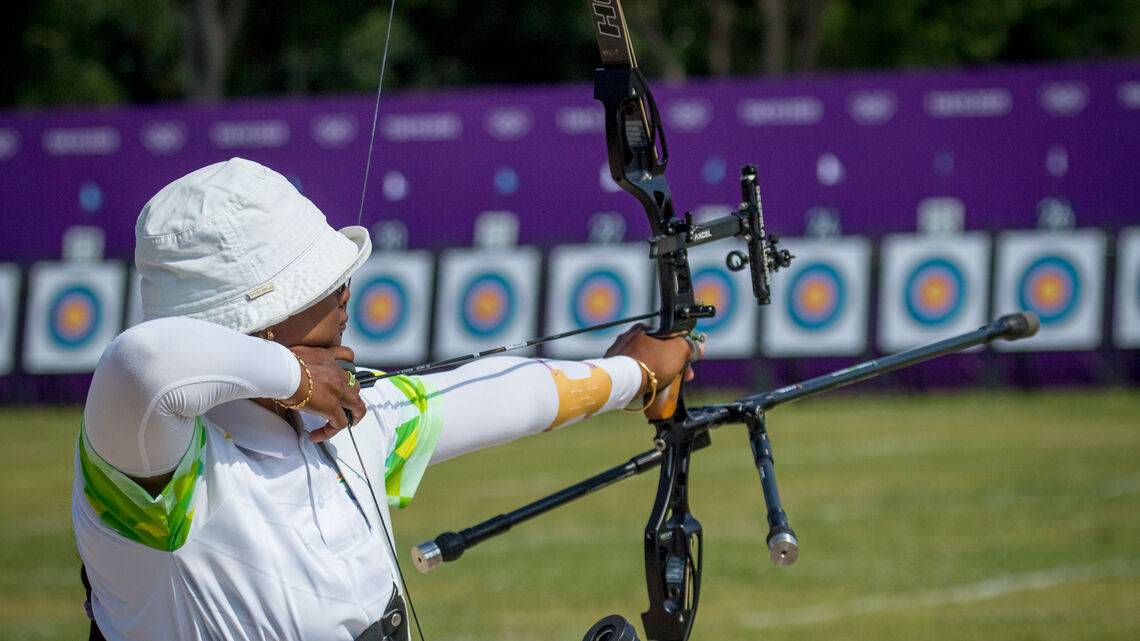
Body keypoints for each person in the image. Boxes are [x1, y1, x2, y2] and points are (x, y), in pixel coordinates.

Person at [72, 157, 700, 641]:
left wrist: (632, 374)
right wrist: (293, 376)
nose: (344, 290)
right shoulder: (157, 467)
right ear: (256, 320)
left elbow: (500, 395)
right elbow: (144, 360)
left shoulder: (342, 418)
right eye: (317, 284)